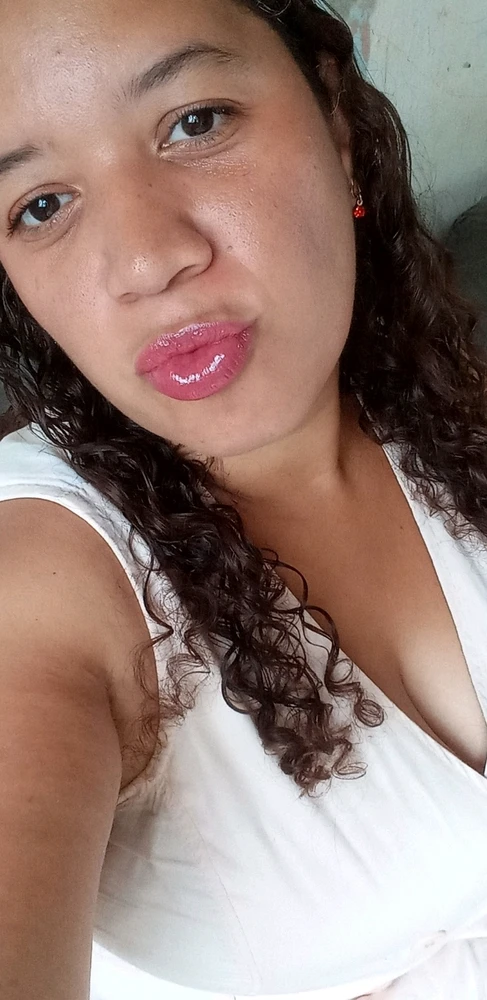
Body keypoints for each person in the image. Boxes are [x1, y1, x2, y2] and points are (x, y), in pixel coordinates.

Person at [0, 0, 486, 997]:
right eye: (39, 205)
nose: (148, 260)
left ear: (335, 123)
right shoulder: (50, 578)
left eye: (195, 122)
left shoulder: (438, 393)